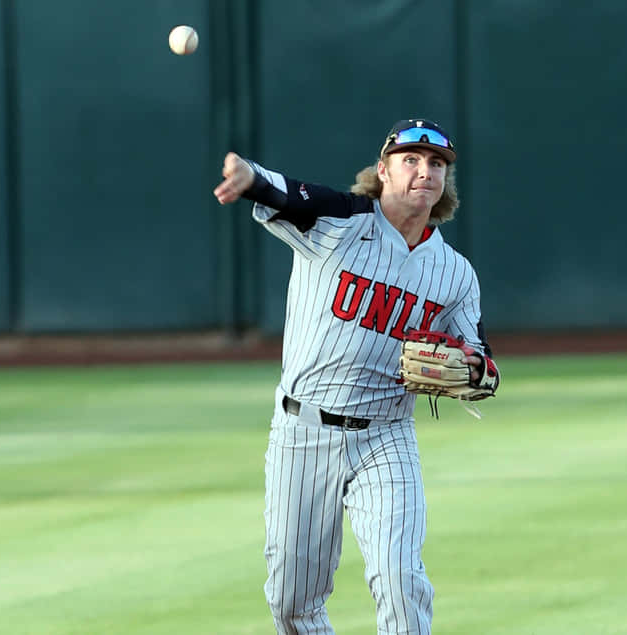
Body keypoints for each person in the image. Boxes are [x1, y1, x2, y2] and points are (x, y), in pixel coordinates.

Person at [213, 118, 500, 634]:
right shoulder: (340, 220)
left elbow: (484, 367)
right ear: (383, 171)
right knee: (291, 601)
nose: (425, 172)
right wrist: (249, 176)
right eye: (410, 160)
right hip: (302, 432)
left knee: (399, 577)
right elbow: (286, 192)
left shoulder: (455, 272)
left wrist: (474, 369)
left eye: (436, 164)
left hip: (387, 437)